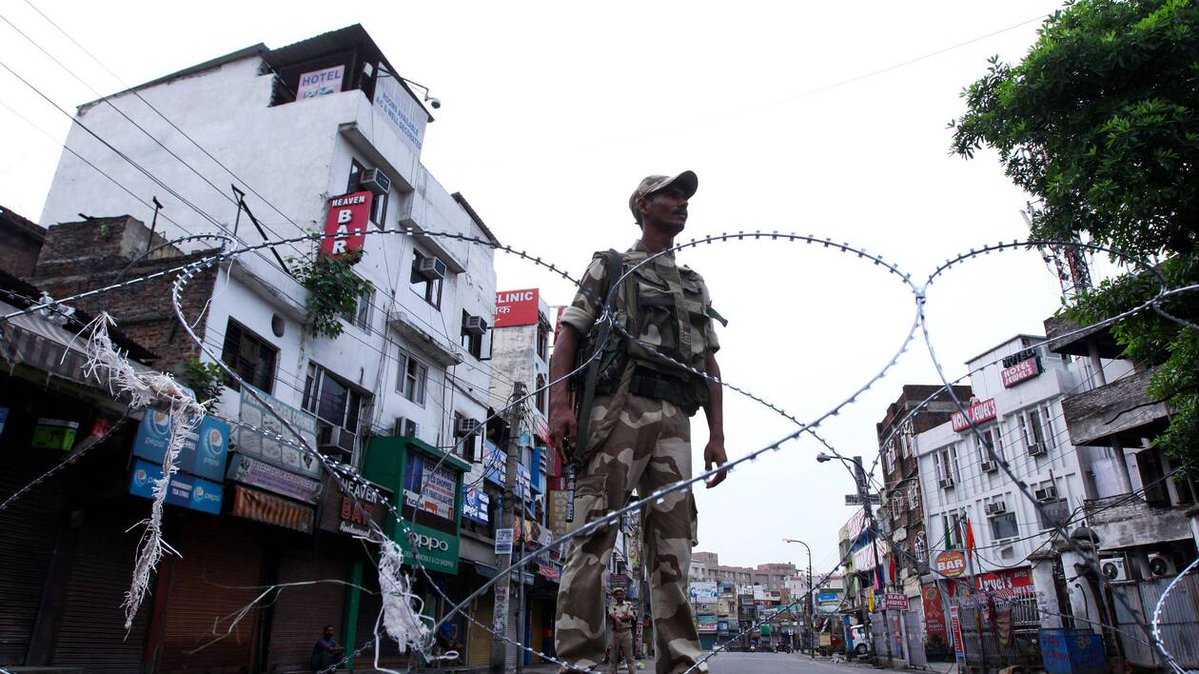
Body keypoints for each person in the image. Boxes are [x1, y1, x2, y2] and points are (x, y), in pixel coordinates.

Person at [551, 170, 728, 674]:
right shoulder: (612, 266)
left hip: (675, 417)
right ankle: (579, 660)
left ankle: (682, 660)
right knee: (594, 533)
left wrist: (717, 435)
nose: (681, 202)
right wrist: (559, 405)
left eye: (685, 196)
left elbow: (710, 364)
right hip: (617, 408)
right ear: (642, 205)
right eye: (670, 194)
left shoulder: (693, 283)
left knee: (673, 545)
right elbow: (568, 334)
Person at [608, 587, 637, 674]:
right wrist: (618, 618)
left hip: (626, 633)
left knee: (629, 657)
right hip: (615, 633)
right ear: (615, 596)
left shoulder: (628, 605)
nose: (619, 596)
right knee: (613, 657)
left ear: (624, 595)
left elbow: (629, 617)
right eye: (617, 595)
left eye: (621, 594)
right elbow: (611, 615)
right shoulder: (612, 606)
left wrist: (617, 618)